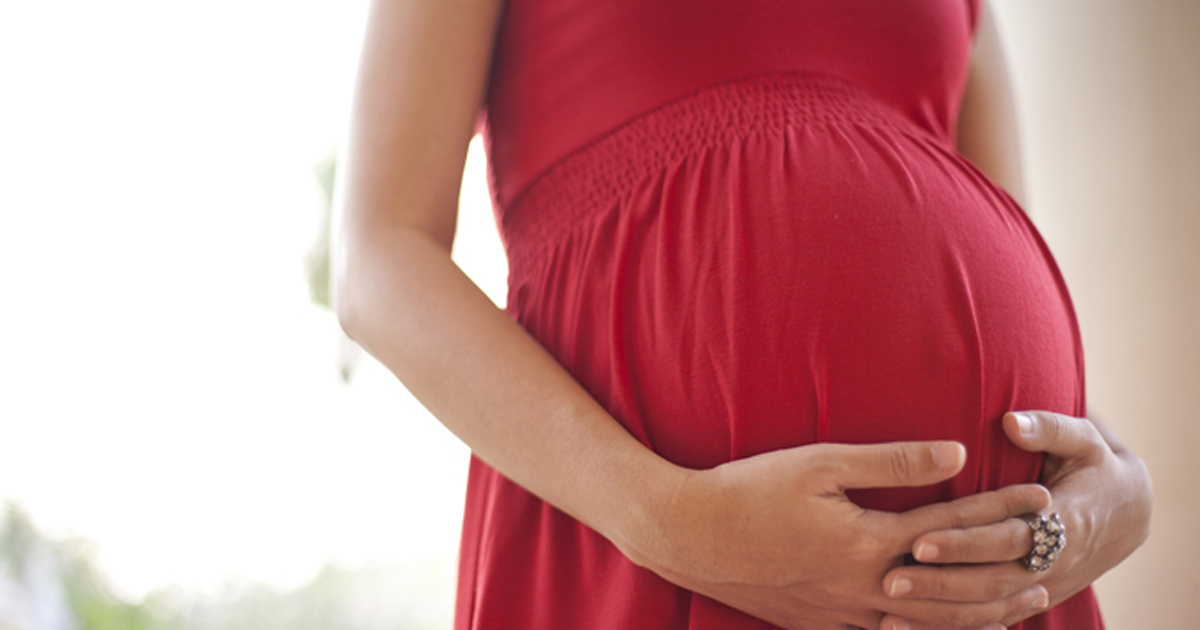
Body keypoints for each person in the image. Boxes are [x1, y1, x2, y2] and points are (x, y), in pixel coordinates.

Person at [331, 0, 1153, 628]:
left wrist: (1112, 483)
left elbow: (994, 238)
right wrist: (667, 520)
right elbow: (380, 254)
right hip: (647, 550)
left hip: (987, 587)